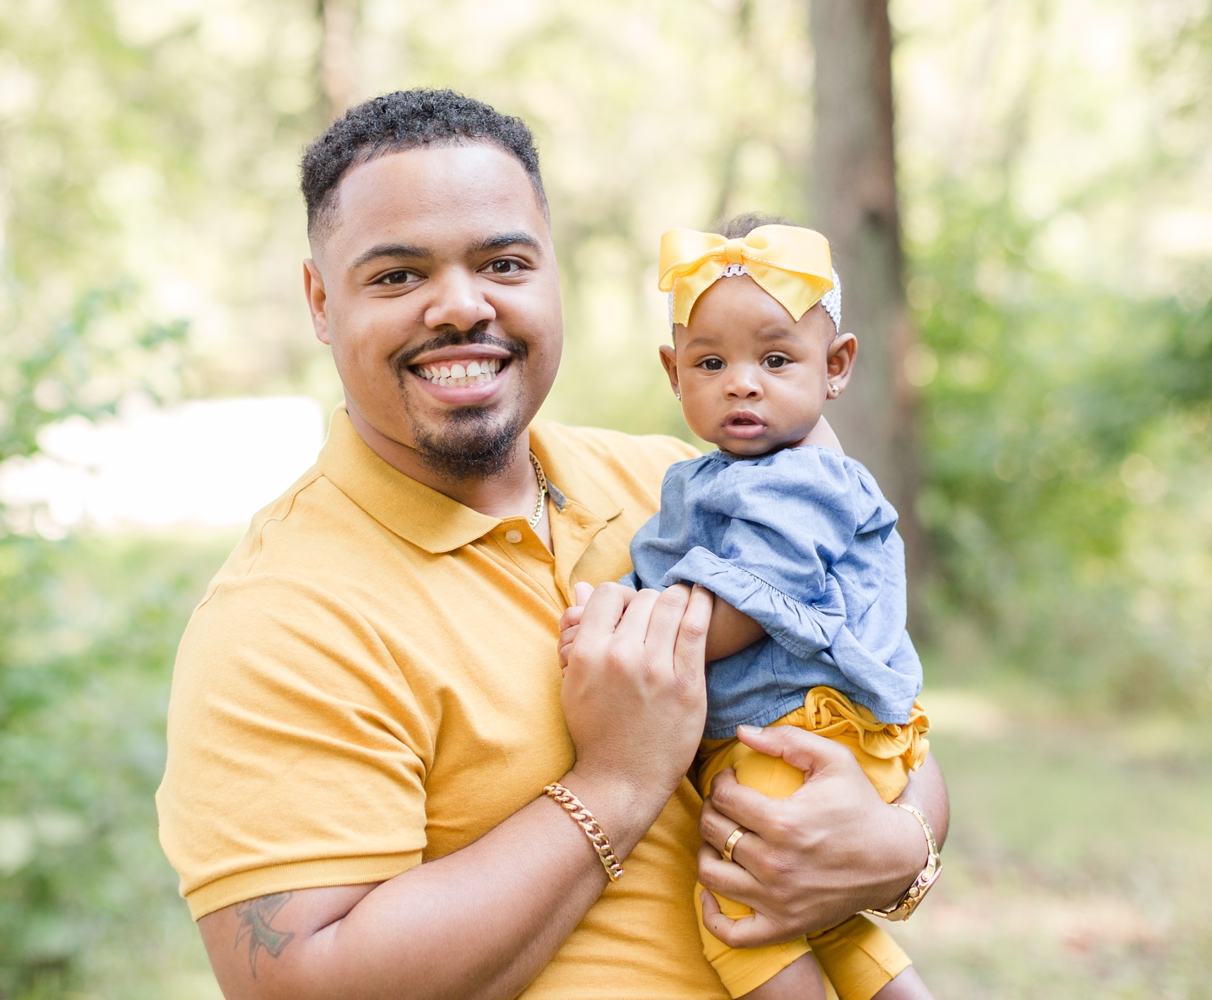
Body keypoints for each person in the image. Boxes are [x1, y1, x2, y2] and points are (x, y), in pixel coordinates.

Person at [155, 89, 948, 1000]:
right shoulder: (280, 621)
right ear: (319, 301)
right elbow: (298, 983)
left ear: (551, 276)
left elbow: (898, 733)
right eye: (397, 276)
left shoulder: (678, 485)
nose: (460, 307)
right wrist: (616, 781)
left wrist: (896, 849)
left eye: (502, 262)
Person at [561, 217, 934, 1000]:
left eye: (774, 359)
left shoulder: (805, 480)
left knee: (738, 910)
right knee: (825, 919)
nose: (742, 382)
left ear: (835, 367)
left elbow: (746, 604)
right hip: (782, 731)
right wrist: (620, 598)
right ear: (673, 372)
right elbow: (665, 569)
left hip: (797, 732)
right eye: (710, 361)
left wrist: (626, 634)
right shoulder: (707, 477)